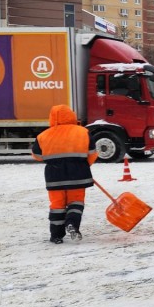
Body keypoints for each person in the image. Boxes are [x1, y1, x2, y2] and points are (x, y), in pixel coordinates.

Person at [31, 104, 98, 243]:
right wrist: (84, 165)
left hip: (54, 176)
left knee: (57, 205)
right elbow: (92, 153)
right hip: (79, 175)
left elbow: (36, 155)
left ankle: (56, 235)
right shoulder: (83, 132)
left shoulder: (43, 136)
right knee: (76, 201)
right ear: (71, 115)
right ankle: (72, 223)